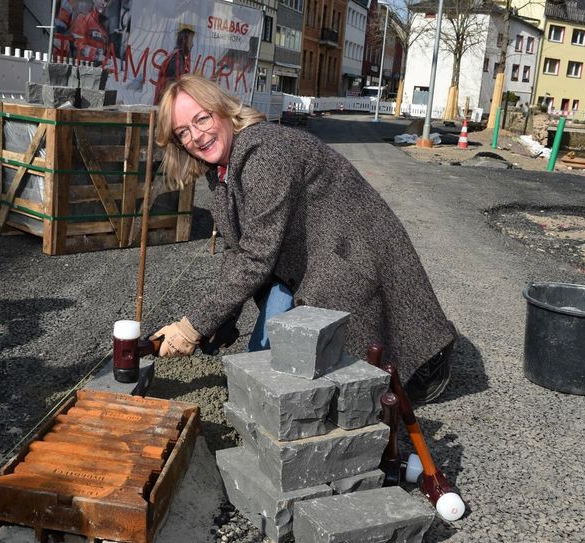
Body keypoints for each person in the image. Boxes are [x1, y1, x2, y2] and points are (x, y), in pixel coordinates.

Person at [151, 74, 457, 403]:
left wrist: (192, 327)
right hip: (316, 257)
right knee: (269, 359)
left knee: (356, 386)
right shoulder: (222, 170)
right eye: (183, 131)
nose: (196, 136)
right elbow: (237, 249)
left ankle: (424, 361)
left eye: (202, 118)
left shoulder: (262, 152)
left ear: (223, 110)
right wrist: (221, 317)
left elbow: (256, 258)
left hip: (353, 254)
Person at [153, 26, 195, 105]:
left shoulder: (176, 54)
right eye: (191, 40)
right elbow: (173, 83)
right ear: (184, 40)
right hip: (166, 103)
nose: (193, 44)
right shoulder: (177, 56)